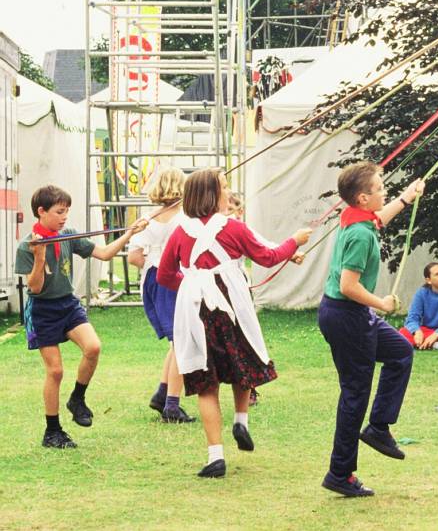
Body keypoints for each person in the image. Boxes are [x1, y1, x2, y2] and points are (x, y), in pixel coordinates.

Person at [158, 168, 309, 478]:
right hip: (231, 306)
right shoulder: (234, 228)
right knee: (243, 360)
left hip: (197, 311)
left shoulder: (180, 232)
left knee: (206, 381)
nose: (228, 193)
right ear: (213, 195)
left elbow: (164, 275)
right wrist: (294, 241)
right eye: (224, 187)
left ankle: (215, 456)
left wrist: (191, 286)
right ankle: (241, 420)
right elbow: (267, 257)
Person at [316, 161, 424, 497]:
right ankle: (340, 473)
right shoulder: (361, 234)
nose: (384, 191)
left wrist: (406, 198)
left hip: (350, 314)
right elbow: (349, 285)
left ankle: (378, 427)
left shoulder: (355, 217)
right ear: (363, 197)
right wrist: (383, 304)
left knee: (400, 352)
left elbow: (380, 217)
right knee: (354, 393)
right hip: (348, 315)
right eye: (379, 188)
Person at [16, 185, 147, 449]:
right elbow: (36, 287)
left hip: (67, 304)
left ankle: (77, 398)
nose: (64, 217)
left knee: (93, 347)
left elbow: (105, 253)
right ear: (41, 212)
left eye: (67, 211)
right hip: (43, 310)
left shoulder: (69, 235)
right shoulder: (27, 245)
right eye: (59, 212)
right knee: (55, 371)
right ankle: (52, 431)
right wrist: (39, 257)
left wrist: (130, 233)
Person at [126, 168, 194, 423]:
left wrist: (153, 259)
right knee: (182, 340)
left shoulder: (147, 220)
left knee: (177, 340)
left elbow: (134, 257)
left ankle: (163, 393)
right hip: (174, 280)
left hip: (152, 281)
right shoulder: (185, 219)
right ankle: (172, 406)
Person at [399, 262, 438, 350]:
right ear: (428, 280)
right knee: (402, 332)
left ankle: (424, 343)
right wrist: (417, 332)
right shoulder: (421, 293)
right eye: (437, 274)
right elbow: (412, 318)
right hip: (427, 330)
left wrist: (437, 333)